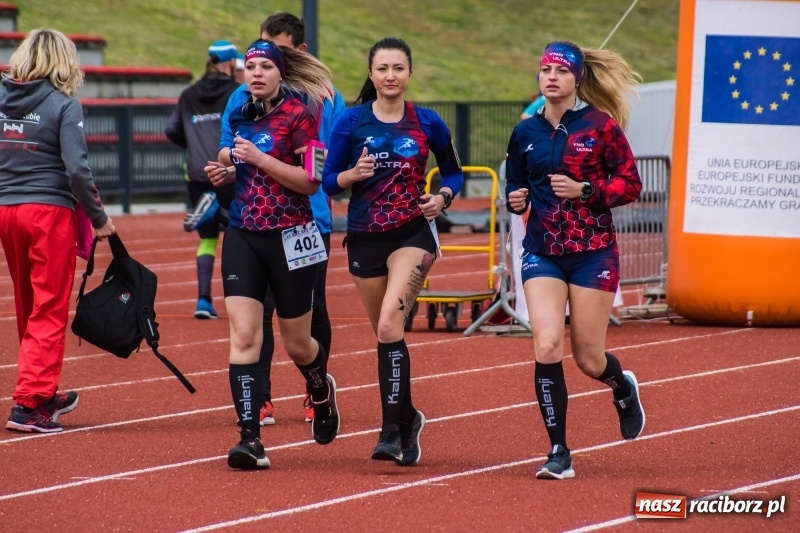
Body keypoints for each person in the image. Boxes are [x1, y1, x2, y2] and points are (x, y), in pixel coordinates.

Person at [505, 41, 645, 480]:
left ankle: (621, 386)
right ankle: (558, 451)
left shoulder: (601, 127)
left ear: (577, 79)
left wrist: (586, 191)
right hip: (542, 252)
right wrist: (516, 199)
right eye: (545, 69)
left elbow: (631, 185)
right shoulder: (525, 131)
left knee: (588, 358)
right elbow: (516, 184)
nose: (551, 77)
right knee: (547, 345)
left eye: (561, 71)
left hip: (592, 254)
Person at [321, 37, 464, 466]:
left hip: (412, 234)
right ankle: (408, 419)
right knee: (387, 334)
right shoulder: (350, 122)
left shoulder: (429, 122)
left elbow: (455, 174)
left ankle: (389, 433)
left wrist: (442, 198)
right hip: (365, 236)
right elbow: (327, 181)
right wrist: (351, 174)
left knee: (388, 324)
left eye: (398, 68)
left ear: (409, 74)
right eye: (382, 68)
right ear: (371, 74)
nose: (390, 76)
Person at [205, 38, 339, 470]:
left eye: (265, 66)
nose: (256, 73)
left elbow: (310, 181)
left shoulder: (300, 115)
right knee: (244, 337)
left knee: (298, 344)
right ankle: (249, 438)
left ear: (281, 73)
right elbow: (231, 153)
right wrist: (226, 168)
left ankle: (320, 390)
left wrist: (260, 159)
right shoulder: (240, 113)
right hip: (243, 233)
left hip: (292, 235)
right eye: (250, 67)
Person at [0, 29, 116, 433]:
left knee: (29, 304)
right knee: (48, 307)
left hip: (7, 210)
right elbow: (77, 170)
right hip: (48, 212)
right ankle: (30, 404)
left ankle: (41, 388)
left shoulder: (1, 98)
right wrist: (99, 218)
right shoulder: (63, 103)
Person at [165, 40, 242, 320]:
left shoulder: (188, 95)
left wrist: (194, 142)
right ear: (232, 63)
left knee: (208, 240)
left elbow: (172, 129)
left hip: (196, 173)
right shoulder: (237, 92)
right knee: (240, 231)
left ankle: (203, 301)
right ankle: (243, 301)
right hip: (228, 171)